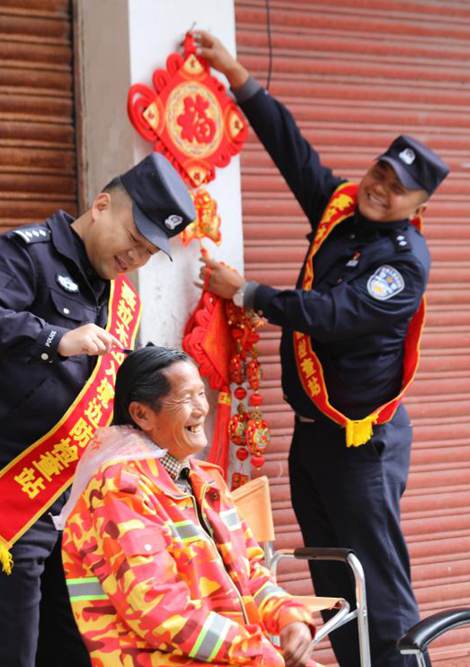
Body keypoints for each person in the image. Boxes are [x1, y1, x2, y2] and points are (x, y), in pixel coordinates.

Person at [191, 31, 450, 667]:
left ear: (418, 205)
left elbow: (334, 316)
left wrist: (246, 292)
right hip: (314, 439)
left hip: (362, 445)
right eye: (379, 172)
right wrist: (238, 78)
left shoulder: (403, 263)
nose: (379, 188)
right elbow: (294, 152)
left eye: (397, 188)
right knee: (335, 579)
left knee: (379, 587)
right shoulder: (340, 210)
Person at [0, 152, 196, 666]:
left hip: (78, 498)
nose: (135, 257)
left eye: (148, 252)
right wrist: (55, 339)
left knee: (79, 647)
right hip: (10, 486)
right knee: (11, 651)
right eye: (133, 239)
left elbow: (115, 383)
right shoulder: (23, 255)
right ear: (101, 206)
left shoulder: (120, 297)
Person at [57, 346, 316, 666]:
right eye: (185, 399)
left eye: (201, 394)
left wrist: (289, 618)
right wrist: (258, 653)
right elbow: (159, 609)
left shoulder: (206, 480)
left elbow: (251, 574)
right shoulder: (120, 489)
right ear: (141, 414)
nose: (201, 409)